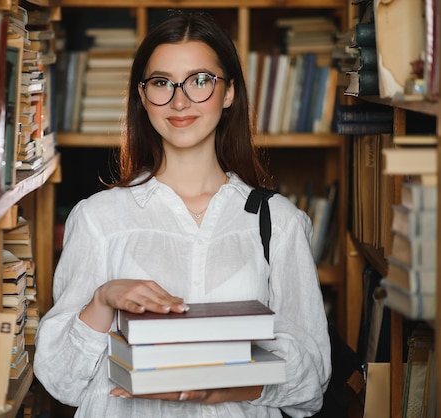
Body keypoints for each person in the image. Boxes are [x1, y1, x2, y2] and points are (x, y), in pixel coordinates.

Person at [34, 11, 331, 417]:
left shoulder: (278, 222)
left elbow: (311, 384)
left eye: (200, 81)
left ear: (229, 93)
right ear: (142, 96)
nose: (179, 101)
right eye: (161, 83)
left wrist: (218, 387)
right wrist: (103, 301)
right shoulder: (98, 218)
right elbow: (61, 381)